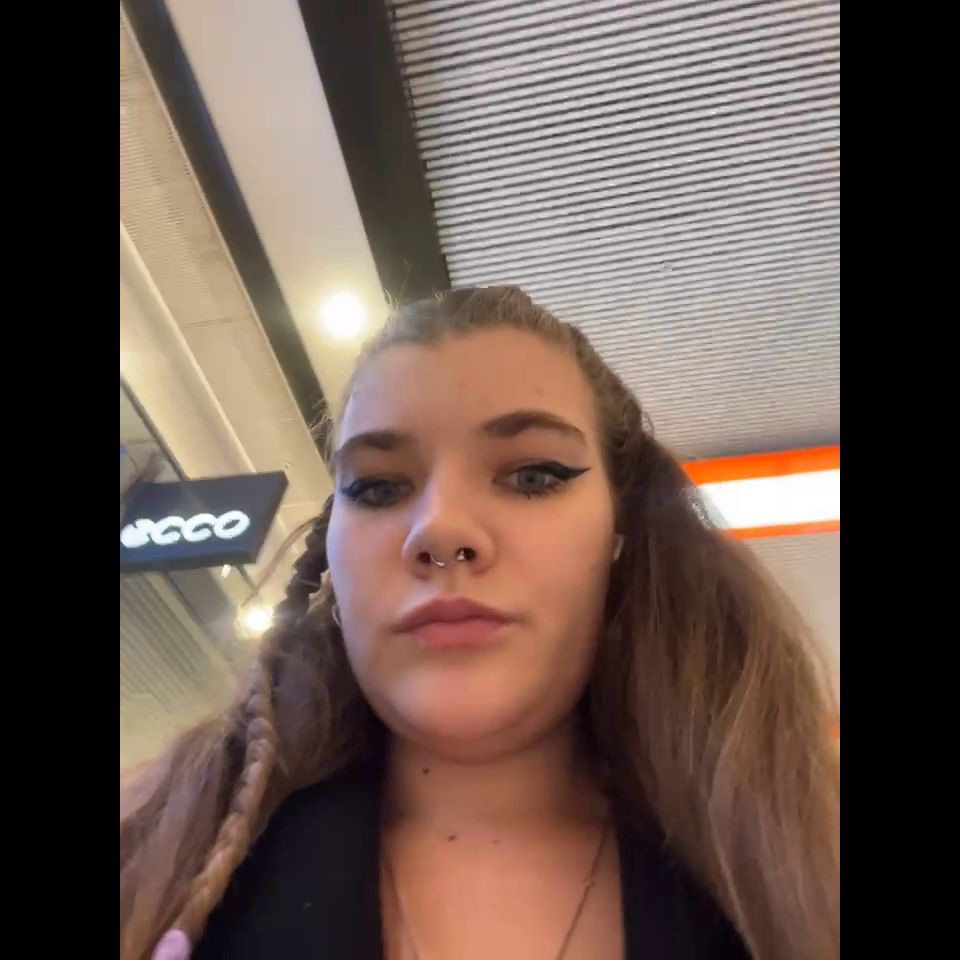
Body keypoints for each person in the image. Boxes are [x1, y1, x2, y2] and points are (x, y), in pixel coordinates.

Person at [120, 287, 840, 960]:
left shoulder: (802, 863)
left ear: (622, 534)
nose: (440, 530)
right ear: (332, 561)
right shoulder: (151, 859)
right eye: (379, 487)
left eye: (533, 476)